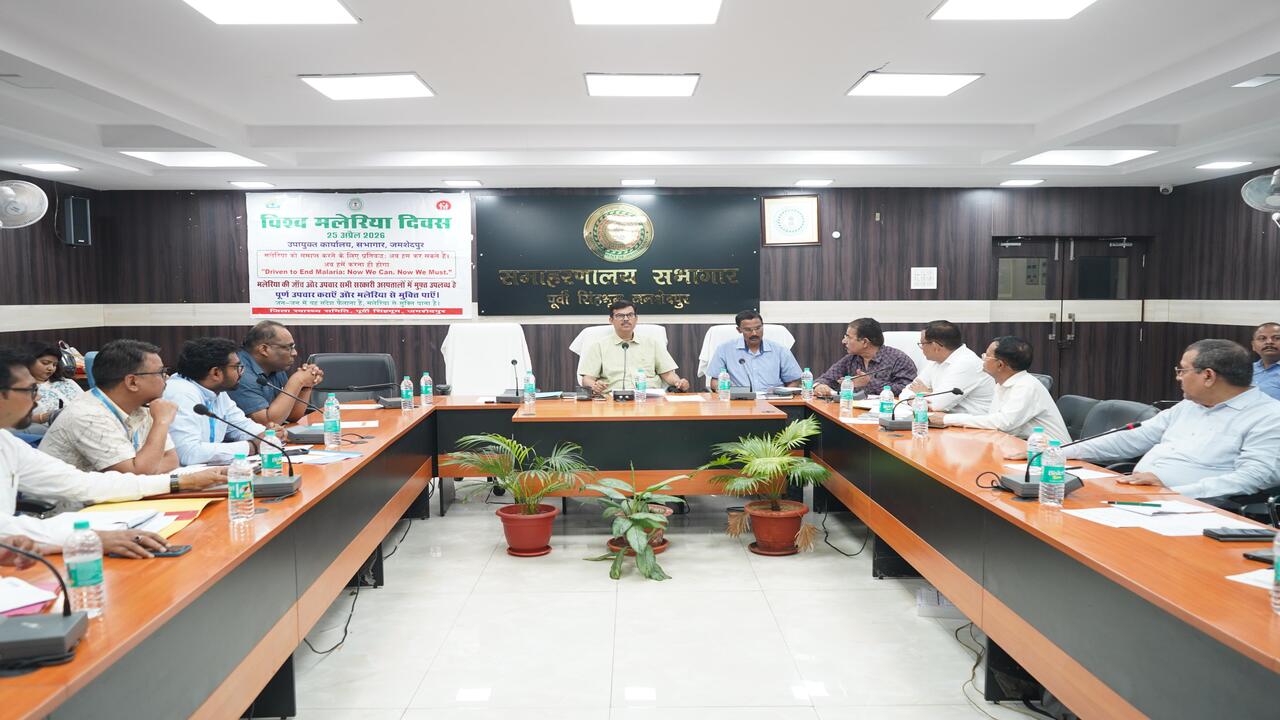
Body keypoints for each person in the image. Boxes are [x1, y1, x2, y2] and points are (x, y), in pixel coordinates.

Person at [0, 347, 223, 557]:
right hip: (59, 524)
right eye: (31, 390)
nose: (38, 398)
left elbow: (84, 483)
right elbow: (4, 529)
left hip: (83, 519)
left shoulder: (7, 443)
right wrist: (89, 538)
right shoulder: (85, 414)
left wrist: (180, 482)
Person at [1060, 340, 1280, 499]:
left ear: (1208, 376)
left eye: (1182, 370)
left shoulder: (1269, 417)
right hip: (1142, 496)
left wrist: (1173, 492)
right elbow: (1131, 437)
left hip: (1199, 509)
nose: (1178, 377)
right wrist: (1058, 453)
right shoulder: (1189, 406)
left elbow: (1254, 477)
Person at [41, 339, 179, 474]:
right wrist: (162, 422)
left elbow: (171, 461)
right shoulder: (88, 415)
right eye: (160, 372)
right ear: (132, 382)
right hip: (67, 490)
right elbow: (133, 475)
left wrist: (144, 468)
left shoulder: (145, 406)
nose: (166, 377)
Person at [164, 337, 287, 466]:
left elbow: (241, 426)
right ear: (216, 373)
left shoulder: (217, 391)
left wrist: (270, 435)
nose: (242, 372)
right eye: (237, 367)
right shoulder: (180, 393)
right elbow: (188, 453)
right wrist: (252, 446)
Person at [929, 336, 1069, 441]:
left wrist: (948, 419)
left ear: (1000, 365)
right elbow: (993, 421)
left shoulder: (1026, 386)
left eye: (986, 356)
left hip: (1053, 457)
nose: (982, 359)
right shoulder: (1001, 383)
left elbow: (1002, 424)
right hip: (1021, 446)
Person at [579, 300, 690, 394]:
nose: (626, 319)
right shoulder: (598, 346)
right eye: (620, 316)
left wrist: (678, 383)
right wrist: (594, 386)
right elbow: (587, 379)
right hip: (613, 399)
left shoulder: (652, 343)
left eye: (630, 315)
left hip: (649, 399)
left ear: (636, 319)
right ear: (611, 320)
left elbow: (668, 374)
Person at [228, 321, 324, 425]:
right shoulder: (239, 373)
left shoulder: (274, 366)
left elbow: (291, 416)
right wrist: (297, 381)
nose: (294, 353)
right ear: (264, 349)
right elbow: (268, 424)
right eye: (289, 347)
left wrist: (306, 386)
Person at [813, 318, 916, 398]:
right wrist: (819, 386)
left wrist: (869, 382)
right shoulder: (851, 358)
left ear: (865, 342)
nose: (843, 341)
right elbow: (827, 378)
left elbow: (908, 390)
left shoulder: (898, 359)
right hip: (850, 409)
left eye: (848, 337)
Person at [908, 321, 994, 414]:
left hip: (973, 421)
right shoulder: (936, 360)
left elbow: (936, 405)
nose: (921, 348)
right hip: (947, 418)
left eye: (922, 344)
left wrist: (921, 395)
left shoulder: (966, 363)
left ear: (935, 346)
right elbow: (907, 391)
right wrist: (924, 395)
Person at [706, 311, 802, 392]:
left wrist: (783, 396)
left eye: (758, 328)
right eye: (748, 330)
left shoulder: (780, 350)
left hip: (773, 401)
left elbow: (794, 380)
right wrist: (726, 393)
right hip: (738, 402)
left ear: (763, 326)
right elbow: (715, 381)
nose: (754, 333)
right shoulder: (724, 349)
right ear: (739, 330)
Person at [21, 340, 83, 435]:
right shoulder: (18, 388)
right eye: (45, 363)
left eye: (54, 364)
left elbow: (86, 402)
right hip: (47, 433)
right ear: (28, 362)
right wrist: (43, 417)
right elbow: (13, 420)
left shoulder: (67, 382)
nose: (51, 368)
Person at [1251, 322, 1280, 401]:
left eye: (1277, 338)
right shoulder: (1245, 369)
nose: (1269, 342)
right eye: (1262, 338)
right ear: (1253, 345)